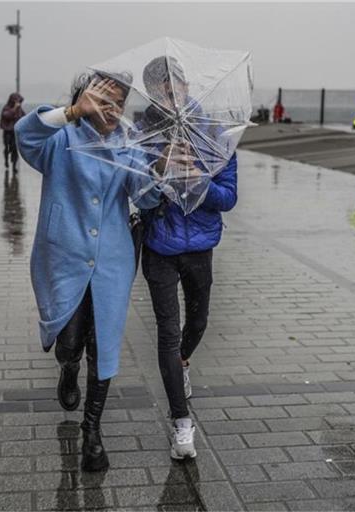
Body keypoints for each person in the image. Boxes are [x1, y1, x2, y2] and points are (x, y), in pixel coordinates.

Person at [14, 73, 161, 472]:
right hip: (64, 255)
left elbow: (145, 197)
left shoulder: (128, 145)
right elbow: (25, 137)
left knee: (104, 346)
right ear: (86, 101)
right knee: (71, 341)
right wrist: (71, 112)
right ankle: (67, 367)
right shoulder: (62, 139)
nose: (113, 111)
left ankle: (92, 432)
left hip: (112, 262)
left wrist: (159, 169)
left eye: (120, 103)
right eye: (105, 102)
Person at [138, 55, 238, 460]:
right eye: (159, 87)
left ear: (185, 85)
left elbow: (228, 197)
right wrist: (159, 175)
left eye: (173, 84)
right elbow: (135, 195)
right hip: (159, 245)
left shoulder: (213, 132)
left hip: (199, 246)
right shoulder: (141, 133)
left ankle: (182, 363)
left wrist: (197, 182)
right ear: (152, 93)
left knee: (197, 321)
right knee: (167, 330)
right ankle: (182, 422)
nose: (168, 92)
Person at [0, 93, 26, 171]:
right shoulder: (6, 107)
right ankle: (6, 160)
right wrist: (14, 108)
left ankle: (14, 165)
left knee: (15, 149)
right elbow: (6, 116)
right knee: (7, 148)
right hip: (7, 131)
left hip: (15, 132)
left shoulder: (20, 109)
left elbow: (24, 117)